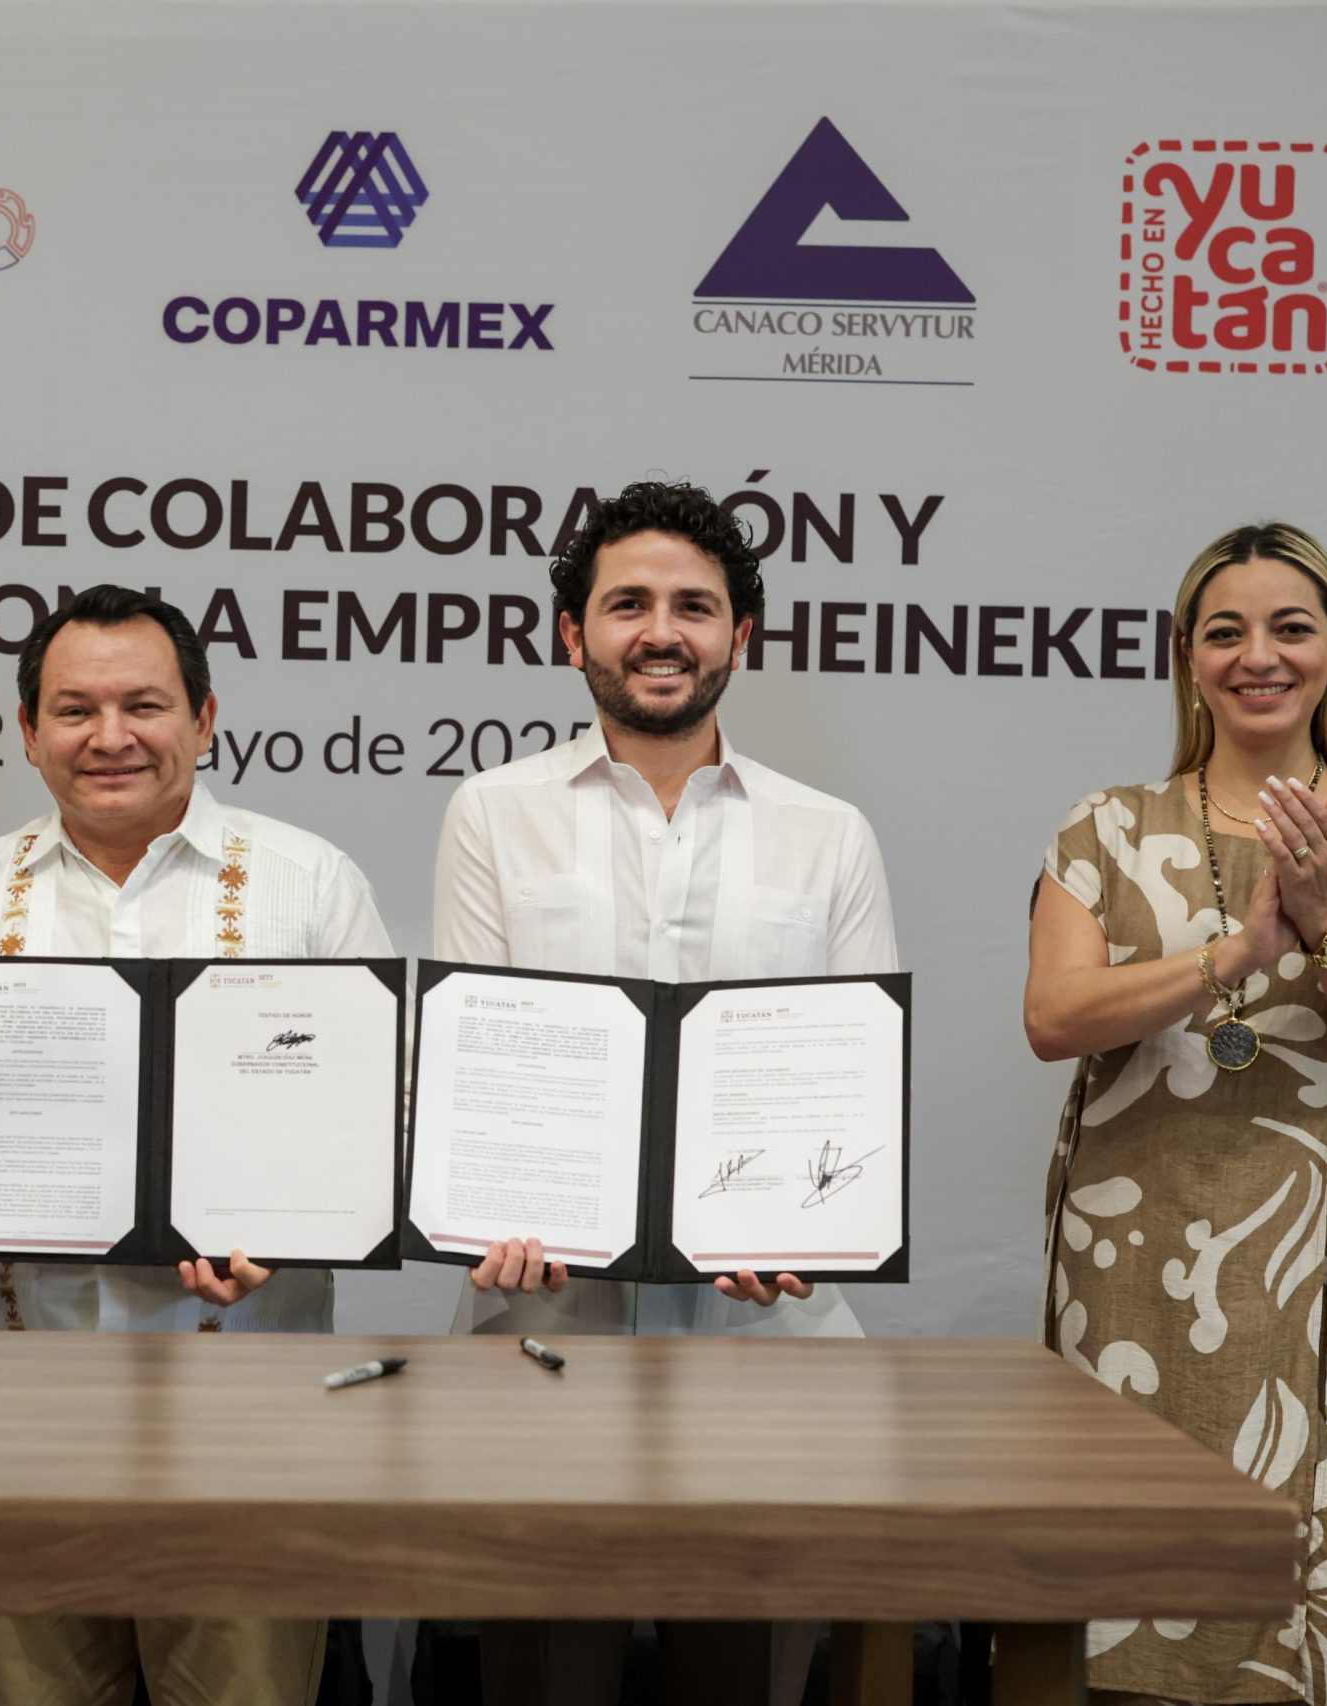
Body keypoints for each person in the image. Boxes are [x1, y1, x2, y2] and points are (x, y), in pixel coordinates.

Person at [0, 584, 392, 1706]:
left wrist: (291, 1227)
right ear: (27, 730)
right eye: (74, 709)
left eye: (143, 705)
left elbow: (389, 1105)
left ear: (204, 717)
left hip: (247, 1414)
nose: (110, 737)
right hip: (17, 1407)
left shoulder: (310, 886)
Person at [429, 479, 898, 1706]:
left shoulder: (829, 833)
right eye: (627, 602)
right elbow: (477, 1062)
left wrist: (805, 1225)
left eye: (692, 605)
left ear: (740, 635)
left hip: (765, 1337)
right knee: (543, 1680)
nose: (660, 630)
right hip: (546, 1325)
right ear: (570, 632)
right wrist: (492, 1207)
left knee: (744, 1680)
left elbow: (849, 1083)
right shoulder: (491, 813)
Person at [1024, 523, 1327, 1706]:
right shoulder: (1105, 825)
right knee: (1125, 1570)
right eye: (1224, 631)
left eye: (1290, 627)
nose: (1257, 655)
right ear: (1188, 658)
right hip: (1134, 1251)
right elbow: (1053, 1016)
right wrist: (1231, 954)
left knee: (1318, 1583)